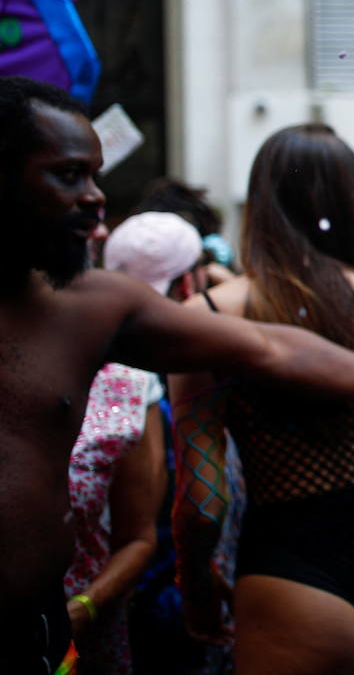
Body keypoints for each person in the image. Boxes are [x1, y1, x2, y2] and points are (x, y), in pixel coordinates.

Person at [0, 76, 354, 675]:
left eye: (96, 176)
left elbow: (268, 349)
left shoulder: (91, 305)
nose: (97, 198)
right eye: (70, 175)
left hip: (43, 632)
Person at [171, 124, 354, 674]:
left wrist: (196, 587)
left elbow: (202, 503)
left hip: (286, 568)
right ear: (350, 202)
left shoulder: (208, 317)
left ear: (260, 202)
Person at [61, 212, 204, 672]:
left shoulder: (128, 377)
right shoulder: (181, 365)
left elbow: (140, 532)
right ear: (186, 283)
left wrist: (85, 607)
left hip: (115, 610)